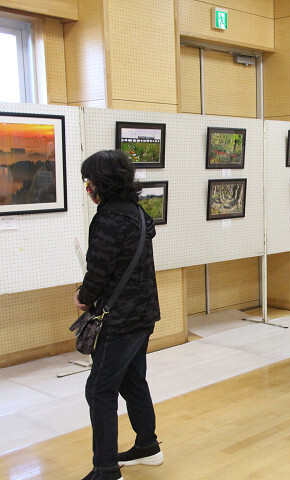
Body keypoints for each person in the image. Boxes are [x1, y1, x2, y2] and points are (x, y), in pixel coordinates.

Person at [75, 150, 164, 480]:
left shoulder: (109, 219)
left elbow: (98, 271)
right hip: (143, 313)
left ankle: (106, 469)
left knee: (99, 389)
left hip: (119, 319)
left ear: (102, 184)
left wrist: (83, 297)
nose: (88, 189)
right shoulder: (137, 213)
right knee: (132, 379)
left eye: (89, 182)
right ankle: (147, 446)